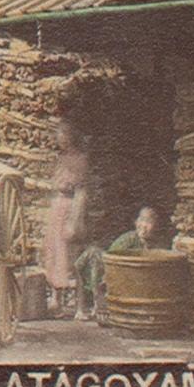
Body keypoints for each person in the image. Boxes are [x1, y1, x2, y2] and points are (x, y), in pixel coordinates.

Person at [76, 205, 166, 319]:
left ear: (157, 226)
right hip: (117, 277)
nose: (143, 225)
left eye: (149, 222)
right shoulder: (128, 239)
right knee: (94, 254)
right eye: (141, 220)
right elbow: (112, 261)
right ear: (136, 222)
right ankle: (96, 306)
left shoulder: (159, 244)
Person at [41, 116, 92, 319]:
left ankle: (80, 307)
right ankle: (56, 300)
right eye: (59, 137)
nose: (61, 141)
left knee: (72, 255)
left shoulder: (80, 159)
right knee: (55, 252)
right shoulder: (60, 159)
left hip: (71, 207)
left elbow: (81, 191)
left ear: (72, 137)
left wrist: (74, 220)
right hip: (57, 206)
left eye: (65, 137)